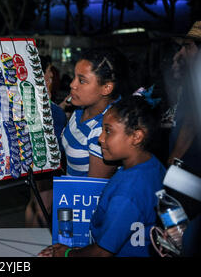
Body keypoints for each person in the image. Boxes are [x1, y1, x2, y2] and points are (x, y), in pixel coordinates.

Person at [39, 94, 166, 257]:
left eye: (108, 131)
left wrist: (67, 254)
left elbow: (102, 252)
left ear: (136, 136)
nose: (100, 138)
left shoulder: (128, 194)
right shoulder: (151, 165)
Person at [61, 48, 132, 178]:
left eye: (82, 81)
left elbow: (92, 192)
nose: (72, 84)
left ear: (106, 88)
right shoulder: (81, 107)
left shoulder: (104, 131)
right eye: (74, 77)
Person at [25, 59, 67, 227]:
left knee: (35, 204)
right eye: (47, 77)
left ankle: (31, 238)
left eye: (51, 78)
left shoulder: (32, 100)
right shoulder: (46, 106)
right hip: (46, 161)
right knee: (44, 206)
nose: (50, 81)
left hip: (36, 158)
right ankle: (35, 244)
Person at [168, 22, 201, 176]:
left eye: (188, 47)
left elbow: (190, 124)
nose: (183, 53)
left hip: (190, 165)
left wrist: (173, 160)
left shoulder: (197, 78)